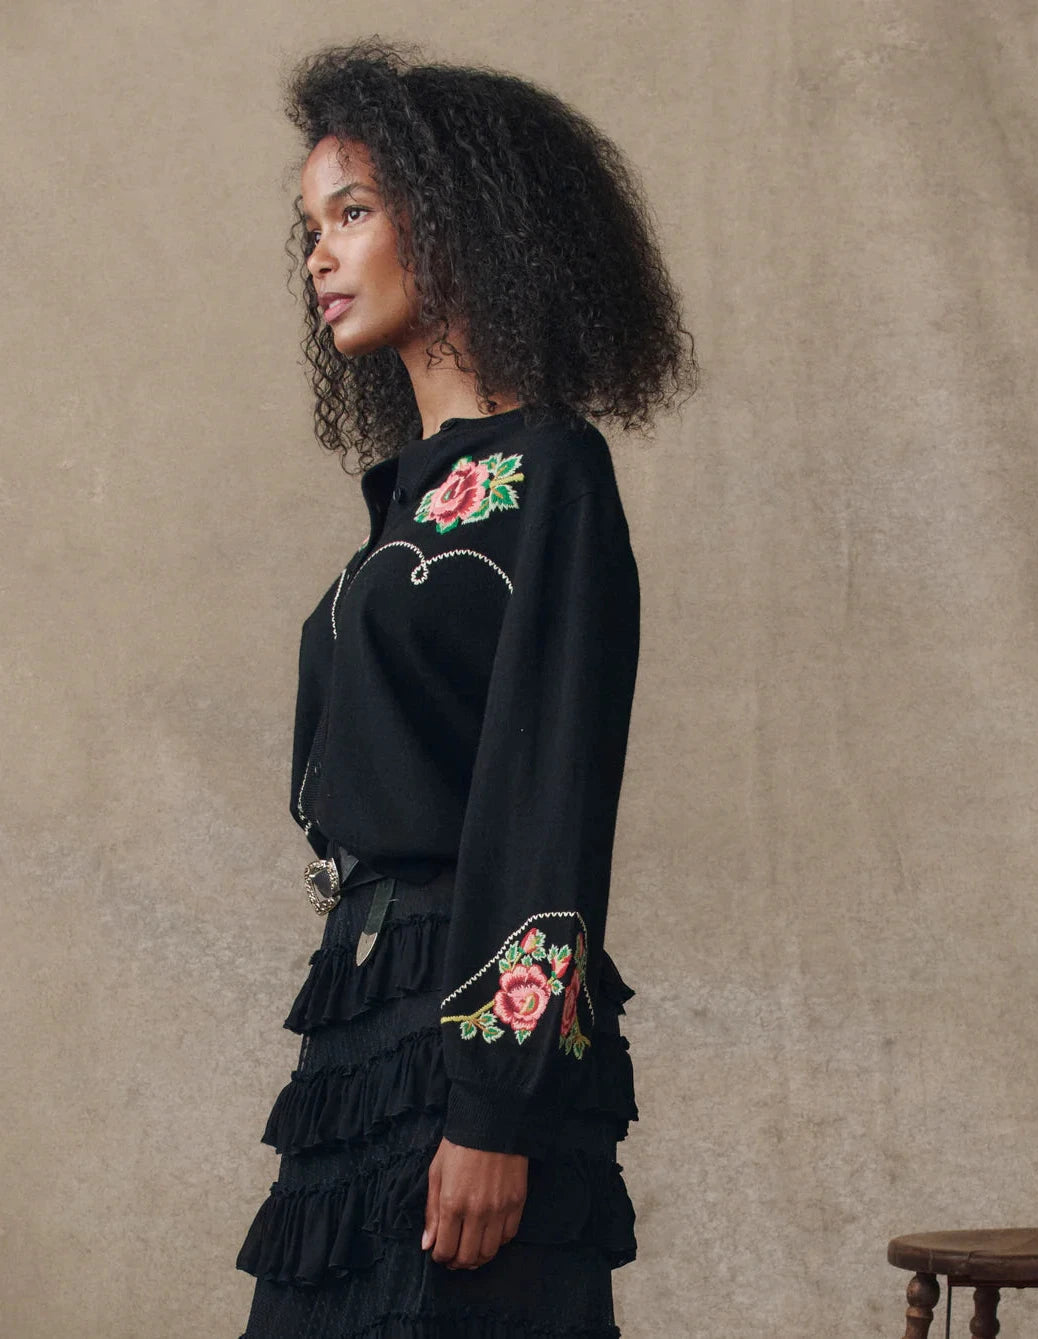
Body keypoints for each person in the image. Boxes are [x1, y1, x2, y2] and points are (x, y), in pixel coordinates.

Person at [235, 36, 700, 1339]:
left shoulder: (547, 473)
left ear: (454, 220)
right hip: (362, 1018)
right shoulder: (406, 500)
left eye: (355, 212)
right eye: (310, 227)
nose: (319, 255)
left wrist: (492, 1105)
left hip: (472, 1019)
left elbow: (544, 791)